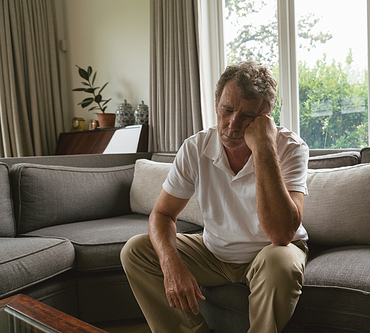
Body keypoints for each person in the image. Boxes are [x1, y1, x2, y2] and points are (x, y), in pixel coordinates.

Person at [121, 60, 309, 333]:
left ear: (267, 115)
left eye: (247, 116)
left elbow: (281, 234)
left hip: (269, 252)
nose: (233, 124)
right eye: (227, 110)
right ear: (217, 104)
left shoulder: (290, 148)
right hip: (214, 253)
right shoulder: (196, 147)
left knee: (281, 263)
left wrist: (264, 148)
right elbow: (162, 214)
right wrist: (171, 263)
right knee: (137, 250)